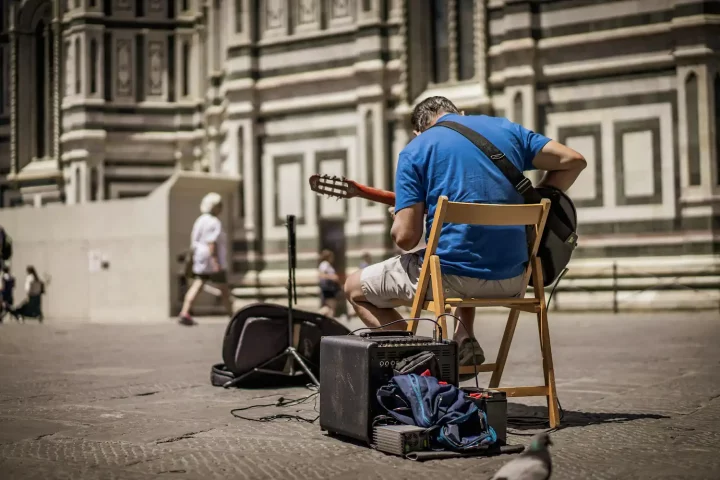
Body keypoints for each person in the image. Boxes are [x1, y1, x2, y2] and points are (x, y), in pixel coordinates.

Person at [344, 96, 586, 373]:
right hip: (515, 279)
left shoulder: (416, 149)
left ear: (418, 131)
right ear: (461, 113)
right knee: (461, 247)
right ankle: (463, 336)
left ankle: (428, 356)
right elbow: (574, 161)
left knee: (354, 289)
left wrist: (400, 217)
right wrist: (540, 200)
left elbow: (406, 239)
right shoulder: (507, 129)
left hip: (449, 280)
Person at [179, 192, 233, 326]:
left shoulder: (200, 220)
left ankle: (184, 312)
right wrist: (216, 263)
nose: (221, 208)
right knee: (224, 289)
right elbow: (211, 243)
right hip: (211, 261)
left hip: (201, 260)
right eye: (220, 205)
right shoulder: (213, 222)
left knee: (198, 285)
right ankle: (233, 316)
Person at [318, 249, 341, 318]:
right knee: (331, 307)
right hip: (328, 287)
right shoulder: (324, 264)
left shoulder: (327, 265)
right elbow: (321, 275)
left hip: (331, 288)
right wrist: (333, 277)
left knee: (330, 307)